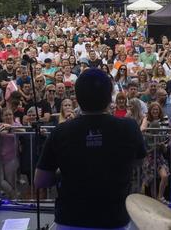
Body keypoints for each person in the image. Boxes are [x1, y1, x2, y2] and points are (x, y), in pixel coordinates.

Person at [35, 68, 146, 229]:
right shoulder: (129, 127)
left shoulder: (61, 131)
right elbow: (138, 161)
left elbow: (41, 180)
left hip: (70, 220)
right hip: (114, 220)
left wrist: (63, 173)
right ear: (110, 98)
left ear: (77, 99)